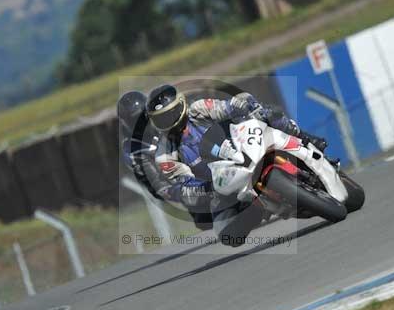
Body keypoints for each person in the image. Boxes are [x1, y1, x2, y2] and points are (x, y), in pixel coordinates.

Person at [147, 84, 330, 246]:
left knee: (261, 110)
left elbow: (227, 108)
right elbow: (184, 184)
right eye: (161, 119)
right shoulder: (164, 155)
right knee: (226, 235)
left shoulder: (198, 109)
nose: (169, 122)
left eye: (170, 114)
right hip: (222, 183)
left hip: (242, 144)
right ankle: (256, 209)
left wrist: (242, 107)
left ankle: (305, 139)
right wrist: (205, 189)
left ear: (181, 105)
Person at [117, 90, 213, 230]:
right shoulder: (133, 151)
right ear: (125, 123)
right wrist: (185, 192)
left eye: (144, 116)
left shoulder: (165, 116)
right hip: (189, 185)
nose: (141, 123)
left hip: (211, 161)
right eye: (134, 120)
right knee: (209, 221)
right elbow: (156, 184)